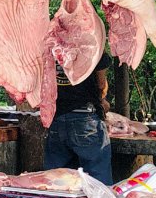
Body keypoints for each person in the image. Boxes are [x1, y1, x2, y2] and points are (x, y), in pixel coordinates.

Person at [44, 52, 112, 184]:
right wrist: (102, 101)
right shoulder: (91, 45)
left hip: (56, 120)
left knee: (57, 181)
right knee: (98, 180)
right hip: (85, 119)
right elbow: (101, 84)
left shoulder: (50, 48)